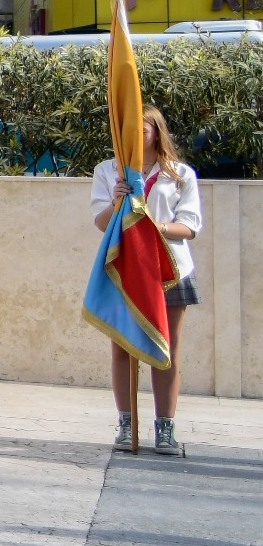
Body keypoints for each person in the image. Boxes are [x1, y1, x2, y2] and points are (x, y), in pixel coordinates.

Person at [93, 105, 204, 456]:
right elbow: (101, 222)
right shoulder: (108, 171)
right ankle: (127, 425)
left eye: (141, 130)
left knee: (165, 351)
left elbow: (189, 227)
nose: (134, 137)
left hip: (169, 271)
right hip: (124, 270)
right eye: (126, 130)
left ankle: (165, 429)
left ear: (156, 132)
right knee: (123, 349)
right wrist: (118, 201)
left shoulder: (180, 174)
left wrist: (152, 229)